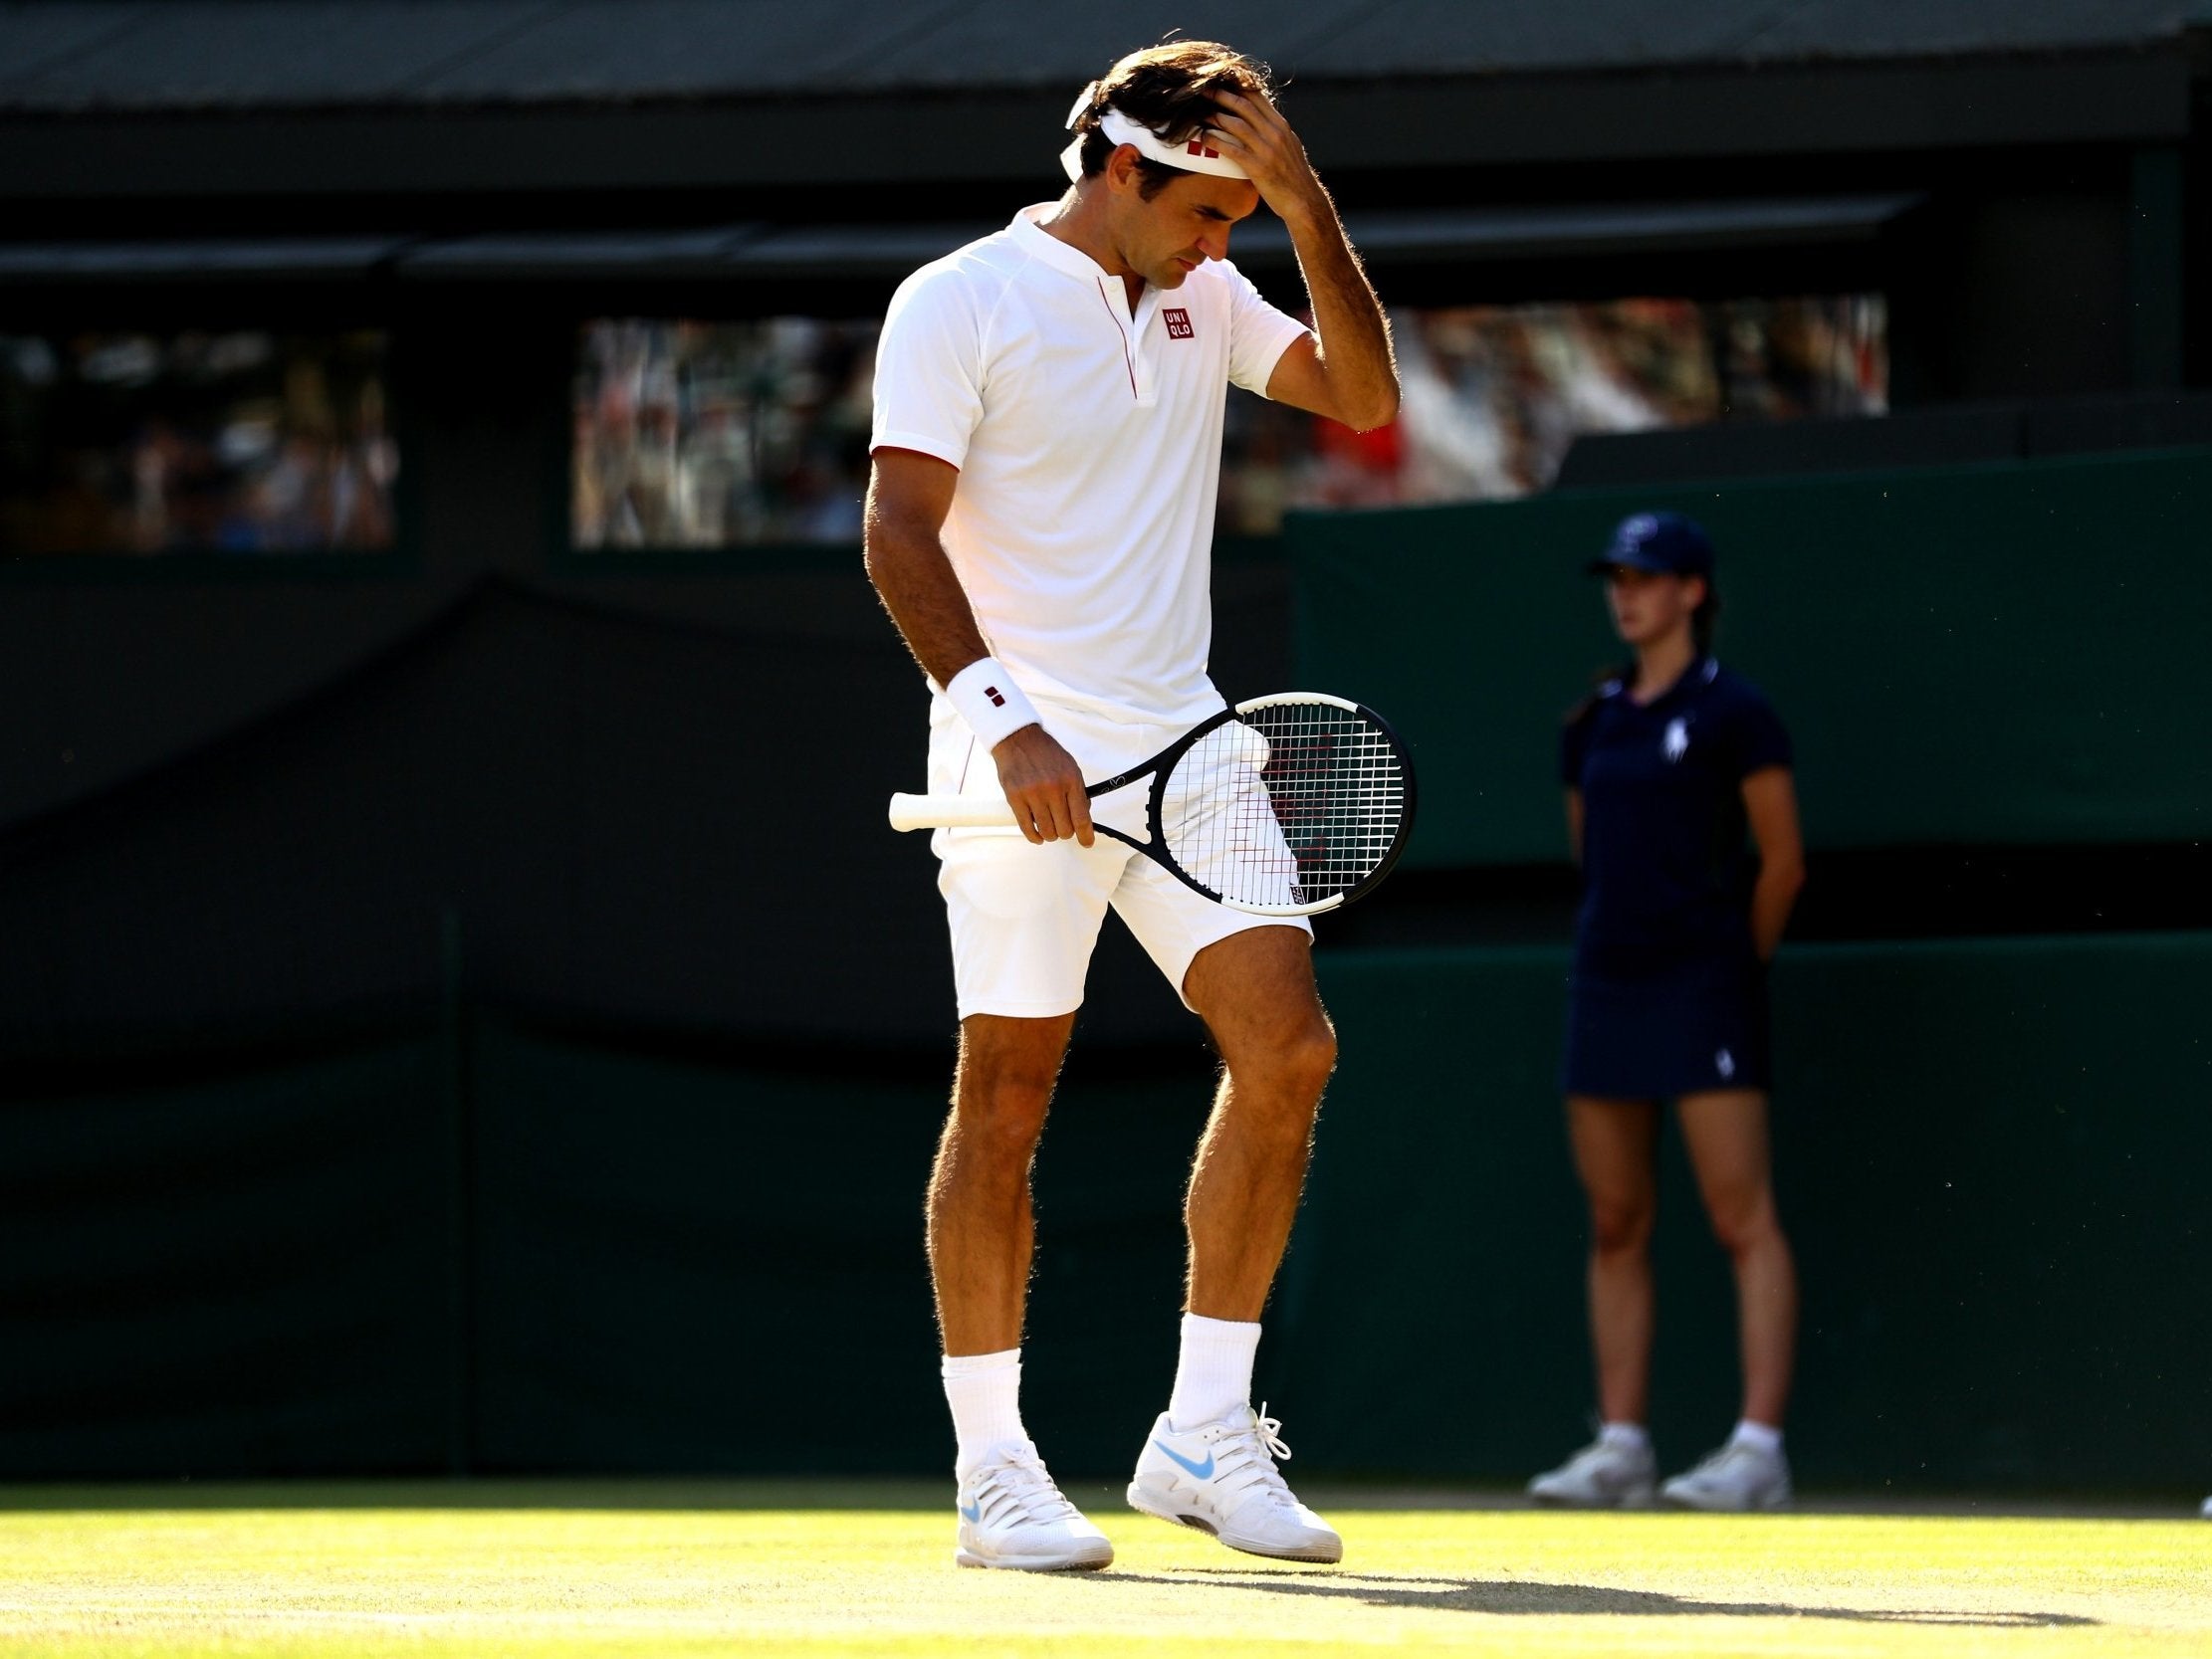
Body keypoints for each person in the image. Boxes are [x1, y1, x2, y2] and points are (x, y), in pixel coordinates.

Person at [862, 42, 1398, 1571]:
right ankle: (993, 1468)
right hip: (1012, 754)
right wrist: (1002, 718)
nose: (1216, 241)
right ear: (1117, 168)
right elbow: (897, 531)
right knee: (1007, 1101)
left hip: (1188, 744)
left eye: (1242, 218)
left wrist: (1299, 204)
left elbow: (1362, 398)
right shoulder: (954, 298)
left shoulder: (1212, 291)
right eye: (1206, 210)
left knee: (1288, 1045)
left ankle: (1201, 1430)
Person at [1528, 512, 1807, 1513]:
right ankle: (1620, 1445)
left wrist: (1732, 963)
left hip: (1704, 986)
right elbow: (1586, 848)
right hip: (1606, 980)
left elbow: (1780, 862)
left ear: (1691, 590)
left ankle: (1757, 1447)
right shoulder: (1591, 718)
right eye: (1615, 576)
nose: (1624, 592)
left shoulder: (1736, 711)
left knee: (1740, 1216)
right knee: (1614, 1219)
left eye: (1644, 576)